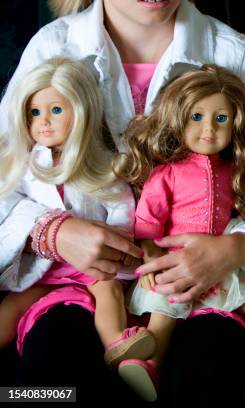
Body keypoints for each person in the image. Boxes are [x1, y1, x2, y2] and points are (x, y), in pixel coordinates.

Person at [0, 0, 245, 404]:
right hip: (75, 285)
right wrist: (52, 231)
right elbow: (6, 176)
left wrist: (236, 246)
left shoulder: (231, 51)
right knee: (49, 382)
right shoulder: (54, 46)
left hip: (194, 288)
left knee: (208, 375)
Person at [115, 64, 245, 401]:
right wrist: (148, 252)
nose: (208, 129)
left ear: (234, 123)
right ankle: (148, 364)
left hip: (223, 263)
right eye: (197, 117)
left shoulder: (235, 170)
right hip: (173, 261)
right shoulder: (167, 173)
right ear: (178, 119)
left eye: (220, 119)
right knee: (163, 314)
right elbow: (149, 217)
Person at [0, 57, 152, 368]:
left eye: (56, 110)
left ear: (81, 113)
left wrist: (118, 244)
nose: (44, 121)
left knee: (109, 295)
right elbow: (9, 207)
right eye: (35, 112)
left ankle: (120, 349)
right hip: (44, 268)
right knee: (12, 307)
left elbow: (121, 207)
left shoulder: (103, 166)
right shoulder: (23, 167)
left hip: (95, 268)